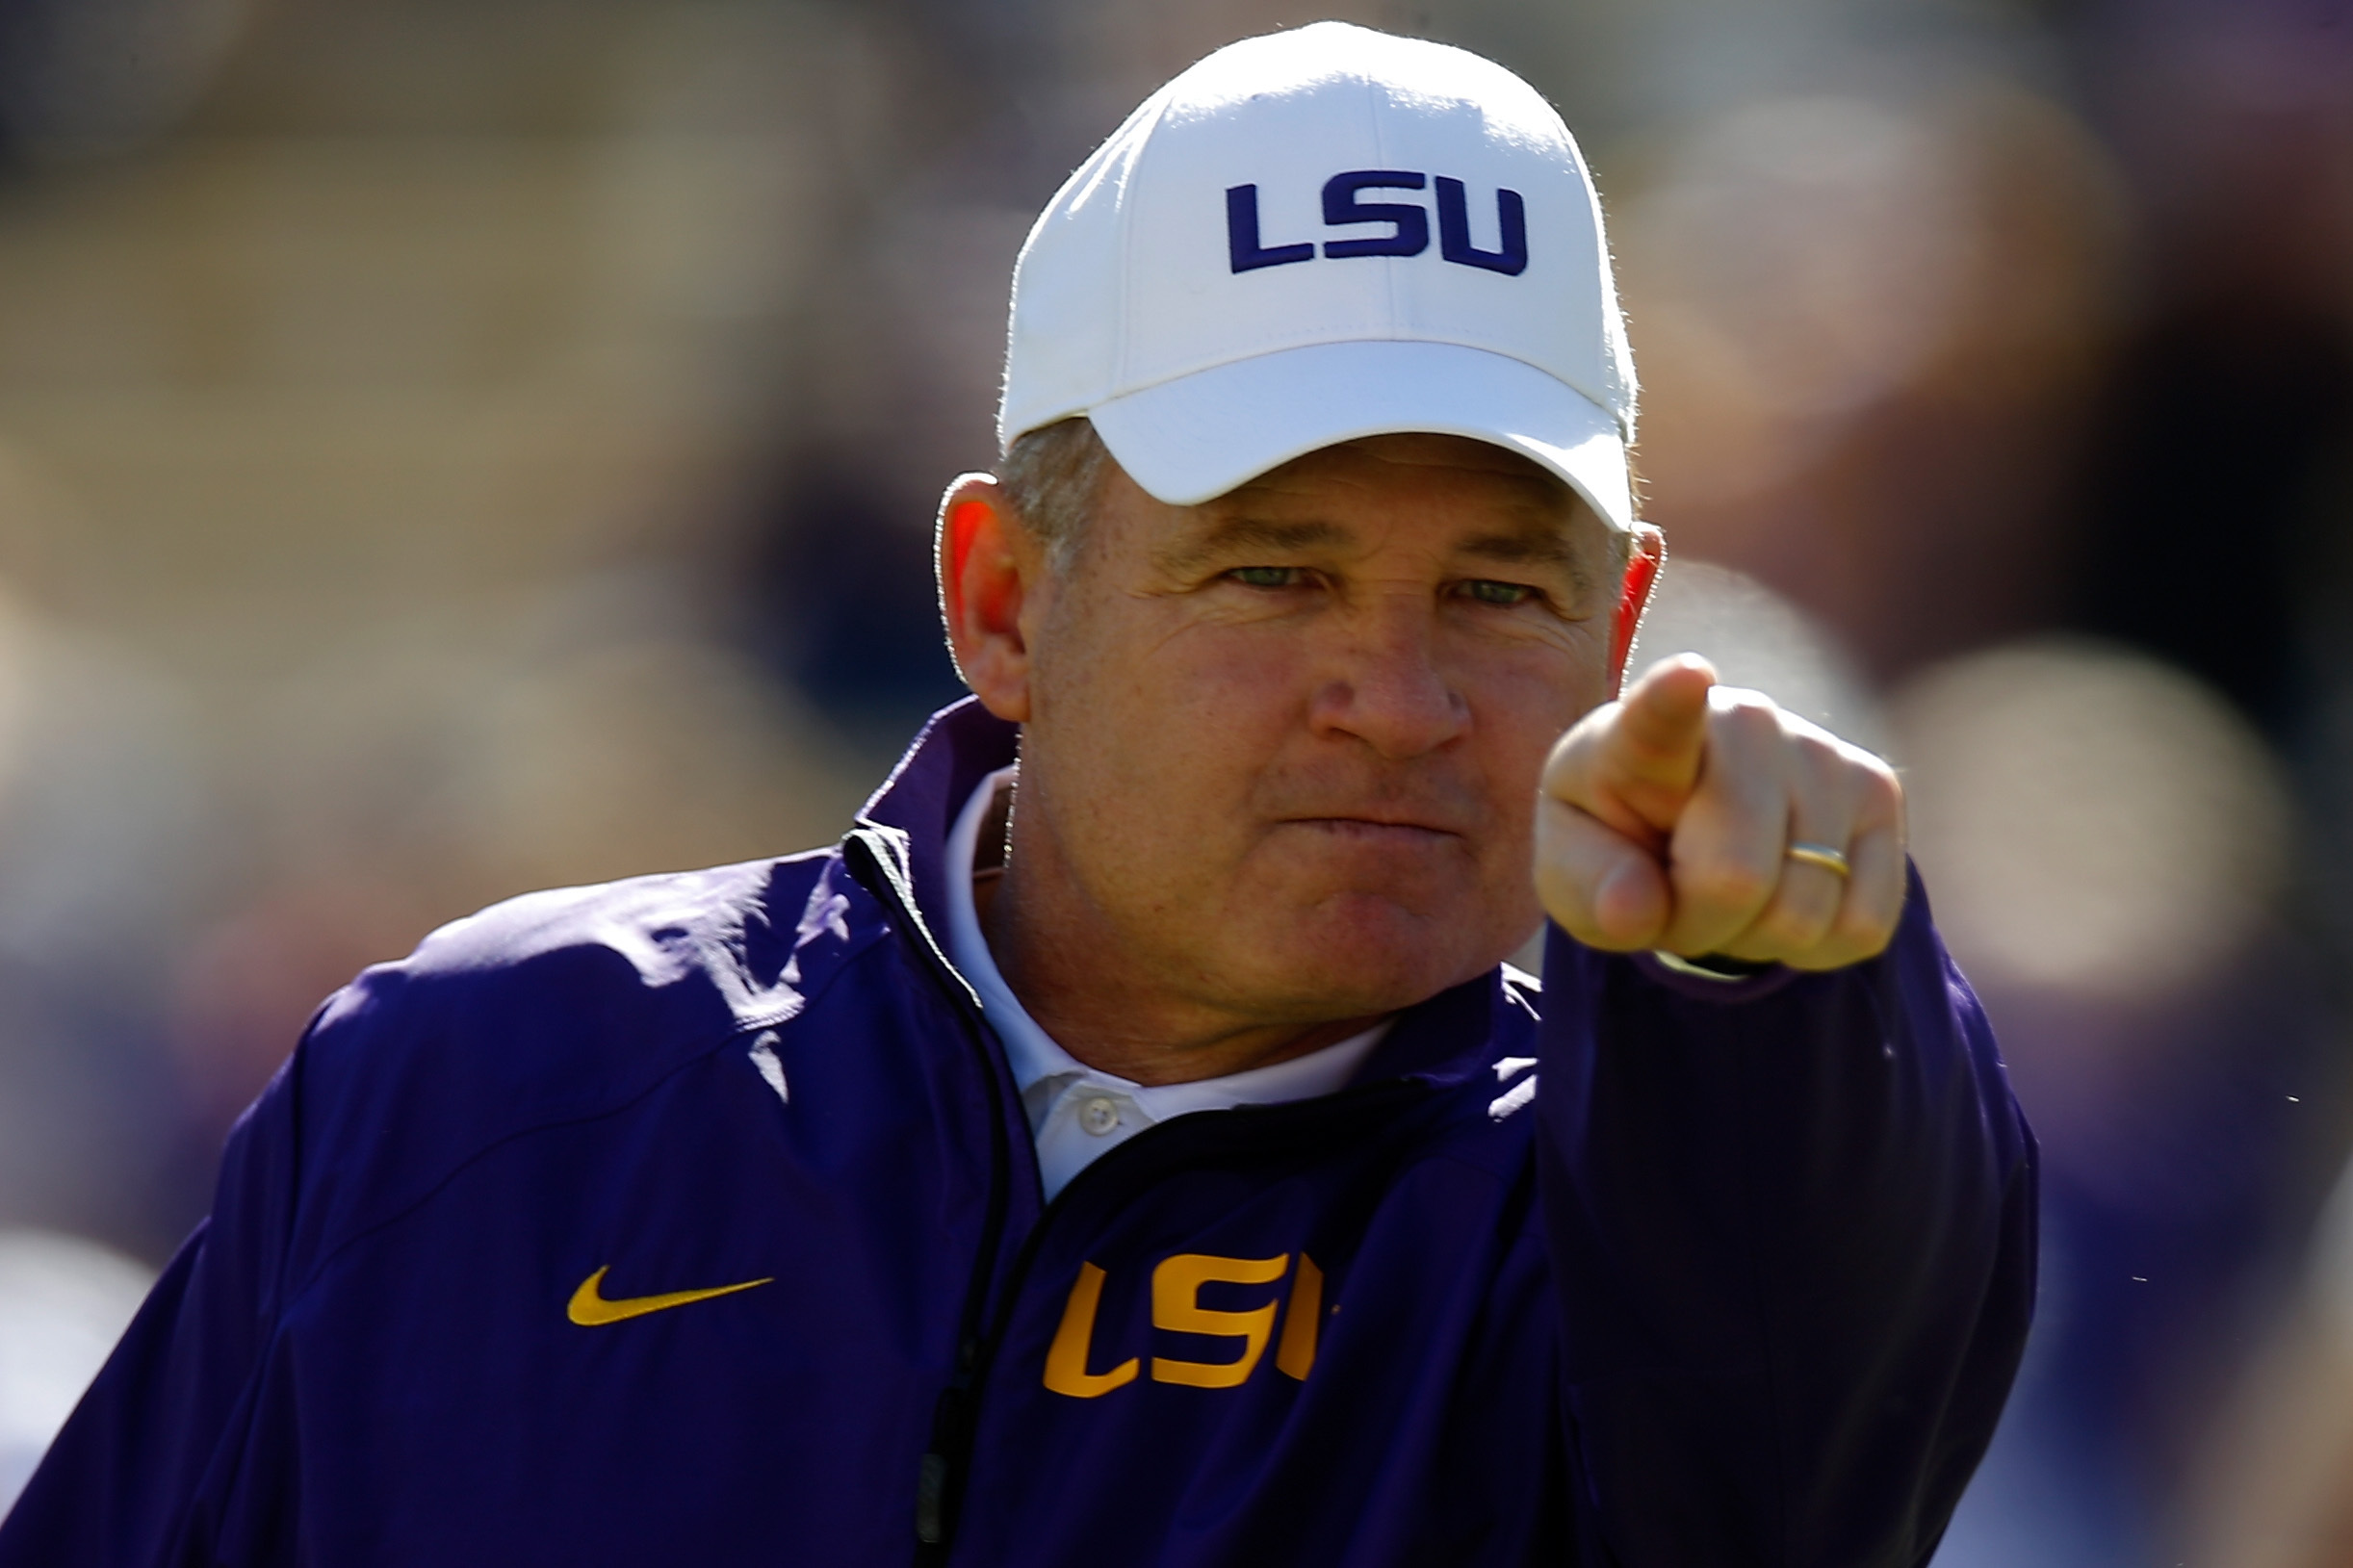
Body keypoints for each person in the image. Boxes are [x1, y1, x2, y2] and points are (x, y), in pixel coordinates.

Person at [0, 22, 2032, 1566]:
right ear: (1001, 601)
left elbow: (1794, 1392)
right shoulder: (477, 1090)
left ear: (1624, 632)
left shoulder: (1642, 1217)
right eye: (1274, 569)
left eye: (1499, 589)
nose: (1399, 697)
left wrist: (1768, 994)